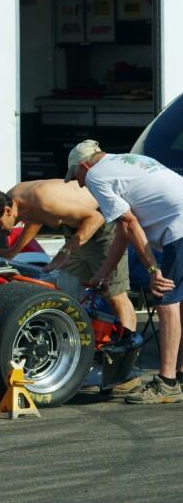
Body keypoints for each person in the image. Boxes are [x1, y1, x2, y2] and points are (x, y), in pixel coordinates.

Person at [0, 181, 141, 395]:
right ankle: (80, 363)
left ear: (7, 210)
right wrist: (13, 251)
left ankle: (126, 373)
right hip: (77, 230)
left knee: (116, 297)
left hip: (102, 226)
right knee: (66, 298)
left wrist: (66, 251)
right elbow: (35, 219)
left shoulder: (42, 200)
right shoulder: (16, 199)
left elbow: (95, 218)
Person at [66, 139, 183, 404]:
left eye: (77, 176)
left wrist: (153, 269)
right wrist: (103, 274)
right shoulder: (123, 162)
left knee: (166, 301)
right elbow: (123, 230)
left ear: (84, 166)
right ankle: (180, 375)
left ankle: (167, 383)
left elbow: (129, 224)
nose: (80, 184)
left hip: (179, 225)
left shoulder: (96, 176)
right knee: (180, 302)